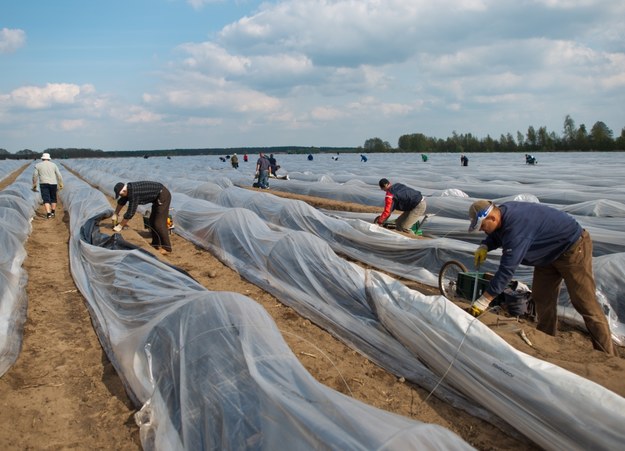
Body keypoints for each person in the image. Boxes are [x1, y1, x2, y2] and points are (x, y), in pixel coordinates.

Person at [467, 200, 615, 355]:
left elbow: (506, 270)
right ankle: (547, 340)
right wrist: (485, 245)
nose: (484, 231)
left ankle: (607, 354)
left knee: (584, 302)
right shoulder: (501, 214)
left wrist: (484, 300)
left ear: (492, 218)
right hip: (547, 253)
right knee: (542, 297)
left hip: (572, 248)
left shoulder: (517, 228)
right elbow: (497, 233)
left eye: (483, 226)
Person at [112, 181, 172, 255]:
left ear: (124, 190)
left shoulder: (134, 194)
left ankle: (167, 248)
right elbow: (121, 201)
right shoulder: (128, 190)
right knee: (152, 221)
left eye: (121, 194)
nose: (121, 196)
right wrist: (115, 213)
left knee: (159, 223)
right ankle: (156, 244)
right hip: (156, 198)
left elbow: (131, 212)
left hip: (163, 196)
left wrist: (120, 226)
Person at [32, 152, 64, 219]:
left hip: (43, 183)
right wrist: (60, 183)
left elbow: (35, 176)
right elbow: (59, 175)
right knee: (53, 198)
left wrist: (34, 184)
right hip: (53, 183)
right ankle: (53, 212)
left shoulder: (38, 165)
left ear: (42, 158)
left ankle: (48, 214)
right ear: (49, 159)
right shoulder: (54, 165)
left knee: (46, 199)